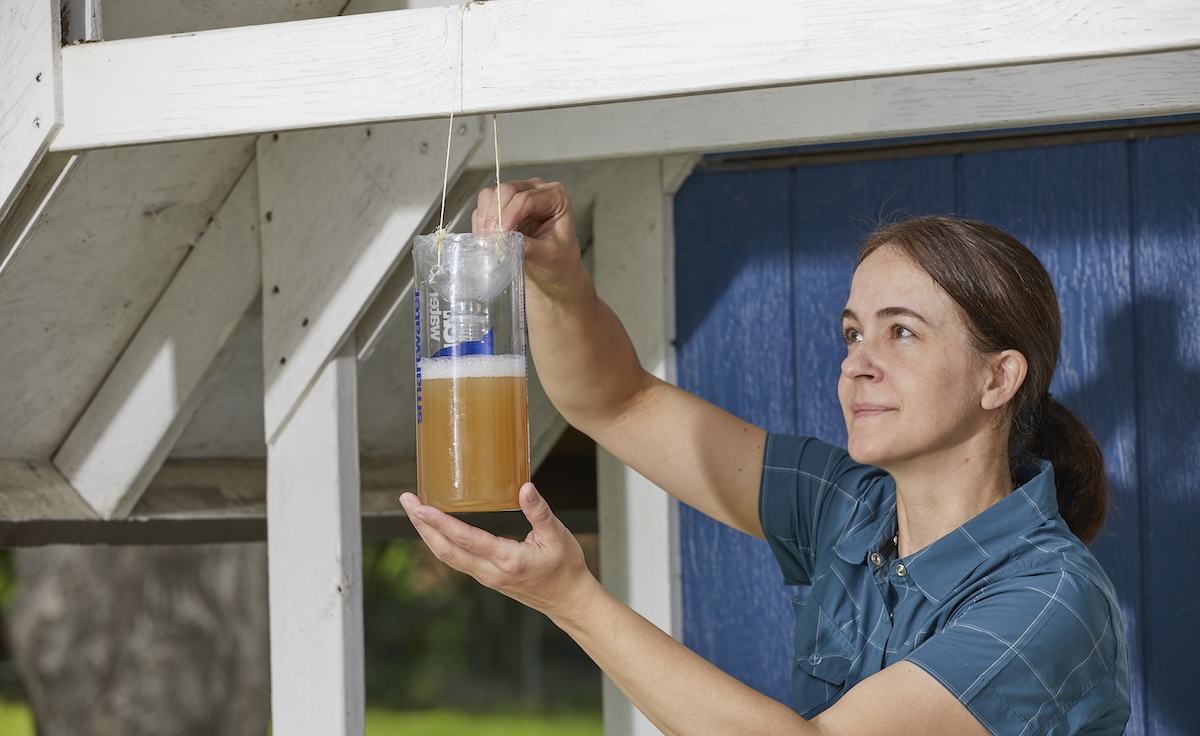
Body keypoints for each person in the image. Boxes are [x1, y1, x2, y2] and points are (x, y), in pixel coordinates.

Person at [399, 179, 1131, 735]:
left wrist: (572, 599)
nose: (857, 365)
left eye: (901, 332)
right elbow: (616, 402)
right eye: (852, 334)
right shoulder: (847, 506)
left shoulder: (1050, 604)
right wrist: (558, 283)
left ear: (997, 378)